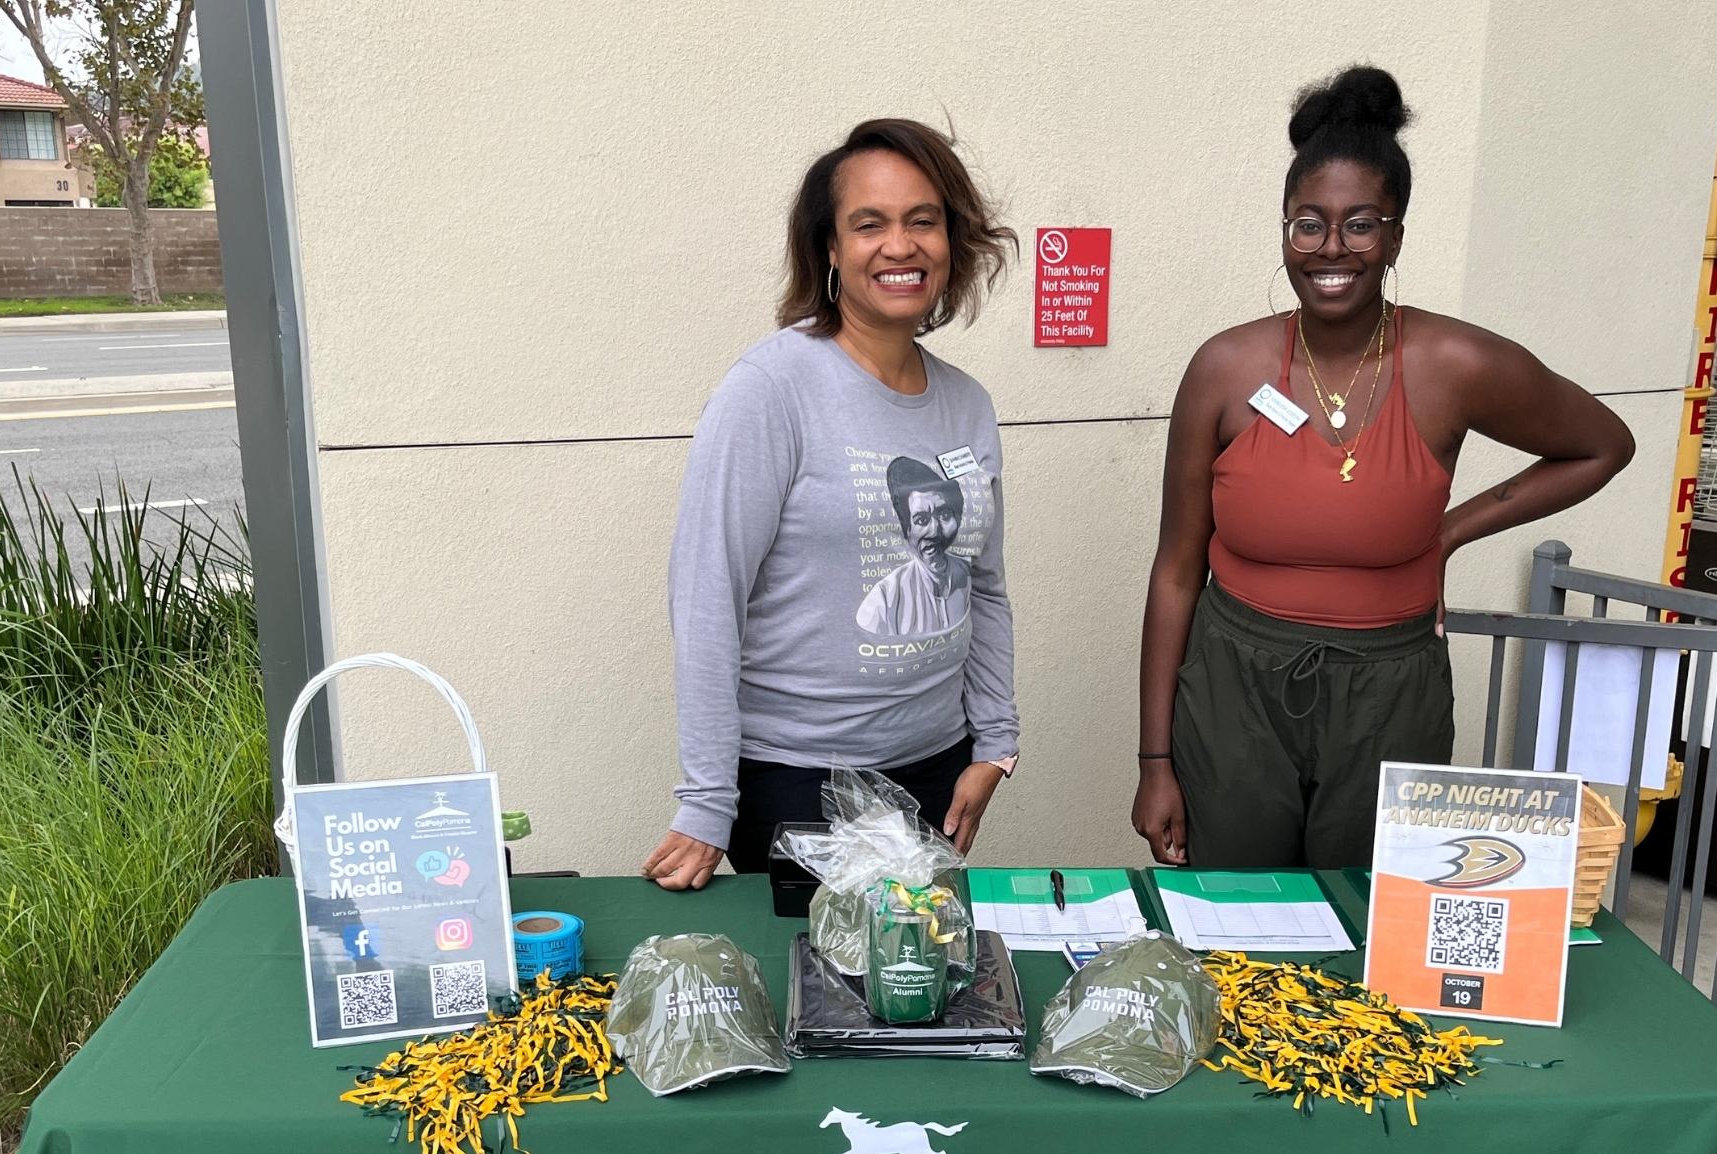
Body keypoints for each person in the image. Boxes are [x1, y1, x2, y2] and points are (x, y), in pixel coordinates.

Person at [1130, 66, 1636, 870]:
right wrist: (1154, 762)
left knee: (1371, 921)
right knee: (1236, 916)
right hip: (1233, 688)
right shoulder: (1223, 369)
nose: (1332, 247)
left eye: (1360, 224)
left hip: (1388, 691)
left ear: (1395, 234)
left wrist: (1450, 532)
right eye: (1308, 223)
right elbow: (1174, 571)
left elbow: (1601, 444)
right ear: (1284, 231)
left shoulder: (1453, 363)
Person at [647, 118, 1021, 891]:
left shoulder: (967, 404)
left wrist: (995, 743)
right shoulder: (770, 391)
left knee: (914, 987)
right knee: (823, 1001)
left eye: (923, 220)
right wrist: (707, 801)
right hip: (798, 785)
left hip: (937, 771)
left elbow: (980, 585)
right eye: (869, 224)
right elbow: (707, 594)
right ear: (828, 248)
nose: (900, 245)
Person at [855, 456, 971, 637]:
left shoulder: (967, 574)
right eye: (921, 520)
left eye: (945, 514)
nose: (934, 531)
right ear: (907, 530)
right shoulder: (885, 599)